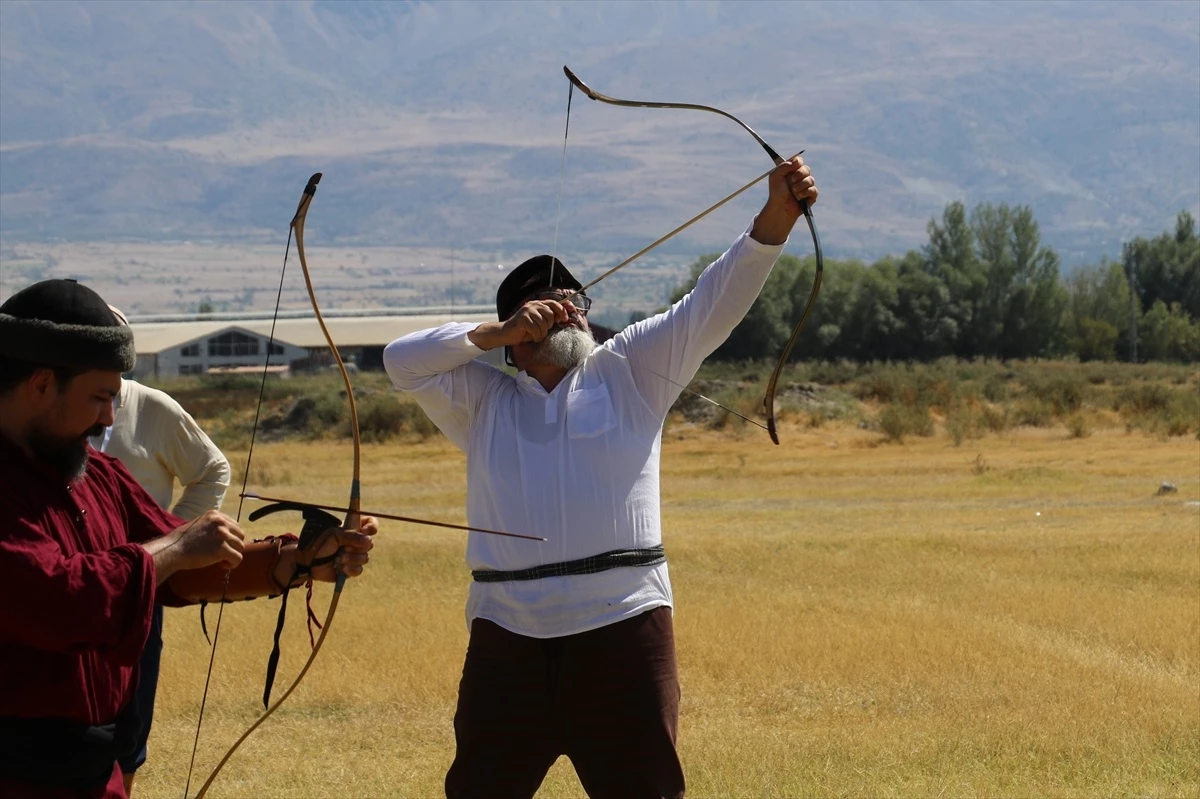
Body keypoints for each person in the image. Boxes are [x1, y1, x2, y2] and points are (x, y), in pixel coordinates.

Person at [383, 156, 817, 798]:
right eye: (547, 308)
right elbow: (401, 362)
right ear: (515, 340)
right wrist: (491, 332)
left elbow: (712, 304)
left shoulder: (629, 368)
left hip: (622, 630)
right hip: (508, 637)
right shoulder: (484, 401)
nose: (569, 313)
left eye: (575, 303)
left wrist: (775, 217)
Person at [0, 279, 377, 799]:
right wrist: (173, 550)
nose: (109, 418)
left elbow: (184, 570)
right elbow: (61, 599)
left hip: (92, 770)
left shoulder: (100, 475)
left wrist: (304, 558)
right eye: (100, 397)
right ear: (41, 384)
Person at [87, 307, 233, 797]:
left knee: (129, 726)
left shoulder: (152, 407)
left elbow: (211, 470)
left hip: (140, 584)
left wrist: (172, 541)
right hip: (66, 583)